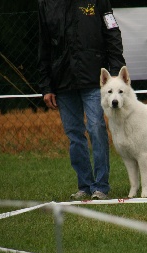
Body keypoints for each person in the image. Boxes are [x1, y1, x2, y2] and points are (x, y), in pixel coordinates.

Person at [37, 0, 125, 200]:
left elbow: (112, 32)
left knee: (96, 128)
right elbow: (44, 45)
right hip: (62, 82)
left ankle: (101, 186)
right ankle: (84, 186)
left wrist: (115, 74)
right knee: (75, 135)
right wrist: (46, 86)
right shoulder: (45, 4)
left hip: (95, 79)